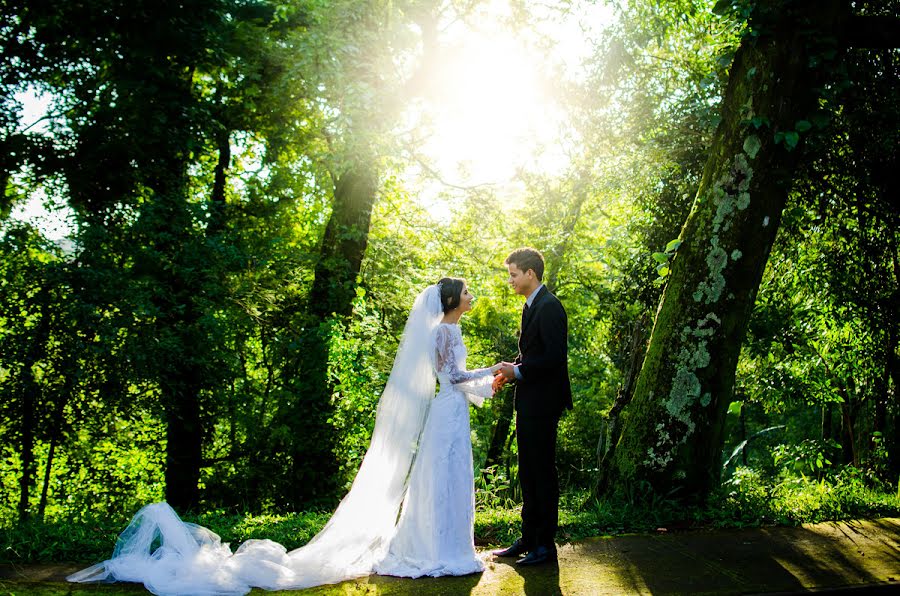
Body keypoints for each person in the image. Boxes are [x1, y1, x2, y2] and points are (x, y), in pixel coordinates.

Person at [68, 279, 498, 595]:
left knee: (452, 479)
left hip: (453, 411)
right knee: (439, 479)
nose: (470, 295)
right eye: (465, 291)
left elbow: (456, 382)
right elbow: (453, 376)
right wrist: (492, 370)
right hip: (446, 414)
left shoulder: (452, 330)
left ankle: (452, 545)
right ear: (450, 300)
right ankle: (434, 550)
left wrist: (487, 384)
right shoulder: (442, 330)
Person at [493, 247, 572, 566]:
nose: (510, 280)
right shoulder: (530, 306)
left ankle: (545, 546)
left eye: (513, 274)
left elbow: (554, 358)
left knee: (541, 472)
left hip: (545, 401)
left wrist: (520, 371)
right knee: (527, 471)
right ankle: (528, 538)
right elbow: (532, 353)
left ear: (530, 274)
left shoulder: (551, 307)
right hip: (528, 400)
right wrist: (511, 369)